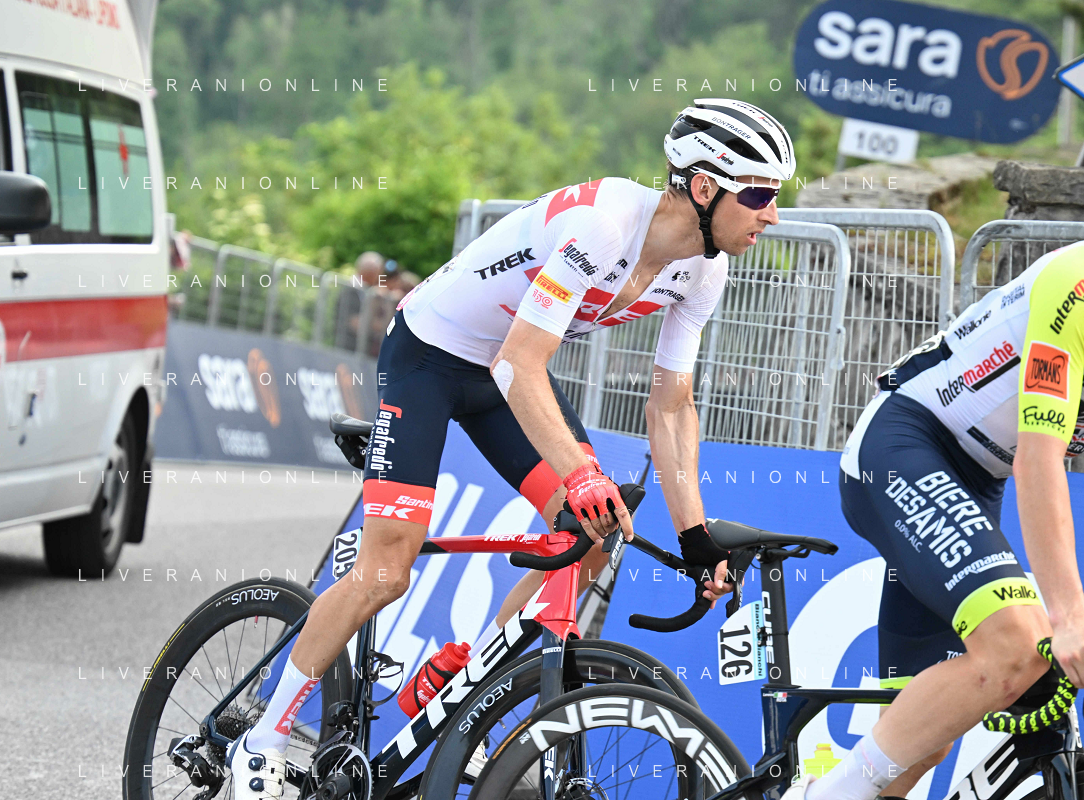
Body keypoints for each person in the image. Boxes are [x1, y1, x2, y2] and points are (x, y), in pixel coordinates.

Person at [228, 98, 797, 798]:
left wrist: (695, 535)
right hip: (431, 357)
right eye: (759, 195)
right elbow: (520, 365)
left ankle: (467, 680)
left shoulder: (703, 269)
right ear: (704, 188)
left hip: (502, 369)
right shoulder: (603, 225)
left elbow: (671, 405)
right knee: (387, 570)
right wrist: (581, 473)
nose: (772, 214)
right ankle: (262, 739)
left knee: (593, 534)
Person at [784, 245, 1084, 800]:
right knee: (1019, 644)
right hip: (907, 441)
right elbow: (1038, 459)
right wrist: (1069, 614)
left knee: (923, 740)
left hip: (977, 478)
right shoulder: (1077, 282)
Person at [335, 251, 386, 351]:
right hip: (347, 348)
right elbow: (354, 323)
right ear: (371, 272)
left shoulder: (368, 290)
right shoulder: (350, 290)